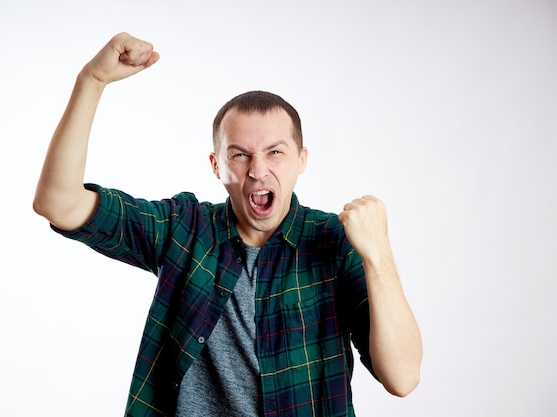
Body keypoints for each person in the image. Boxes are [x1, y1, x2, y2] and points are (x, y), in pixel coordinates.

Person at [33, 32, 422, 417]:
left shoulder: (334, 242)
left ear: (301, 160)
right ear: (217, 165)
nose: (257, 170)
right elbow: (59, 203)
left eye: (275, 152)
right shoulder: (184, 229)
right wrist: (93, 80)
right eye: (239, 155)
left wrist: (379, 256)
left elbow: (402, 378)